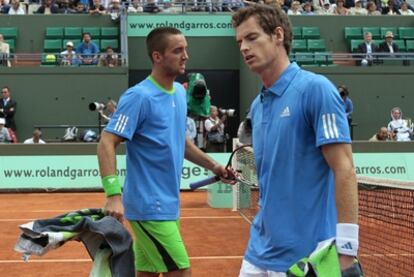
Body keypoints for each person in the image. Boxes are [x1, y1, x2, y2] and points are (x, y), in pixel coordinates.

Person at [232, 4, 361, 276]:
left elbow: (345, 169)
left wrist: (347, 250)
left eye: (252, 37)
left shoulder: (317, 90)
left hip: (305, 258)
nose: (244, 47)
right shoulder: (257, 105)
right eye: (240, 41)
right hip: (258, 251)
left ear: (278, 35)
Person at [97, 27, 234, 277]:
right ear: (157, 57)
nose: (186, 56)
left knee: (147, 273)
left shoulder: (180, 93)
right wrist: (113, 194)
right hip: (149, 206)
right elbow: (106, 141)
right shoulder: (138, 96)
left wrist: (214, 166)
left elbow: (180, 142)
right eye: (178, 50)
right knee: (181, 271)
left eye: (186, 49)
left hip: (169, 204)